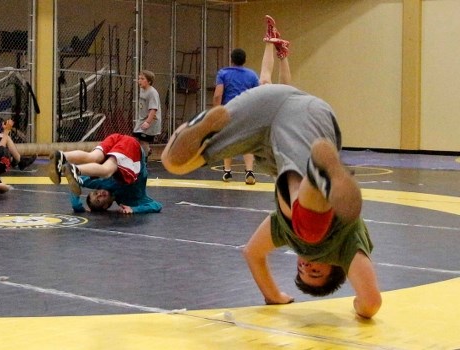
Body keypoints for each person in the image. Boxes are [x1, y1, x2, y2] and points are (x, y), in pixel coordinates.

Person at [159, 17, 381, 319]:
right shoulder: (346, 246)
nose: (306, 264)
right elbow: (371, 303)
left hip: (267, 109)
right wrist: (359, 308)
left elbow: (252, 253)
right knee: (307, 226)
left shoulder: (284, 234)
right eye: (315, 271)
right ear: (336, 268)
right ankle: (317, 178)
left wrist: (273, 296)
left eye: (301, 270)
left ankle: (201, 127)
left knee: (175, 162)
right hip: (305, 119)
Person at [49, 133, 161, 214]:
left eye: (95, 193)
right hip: (121, 141)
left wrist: (78, 207)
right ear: (106, 206)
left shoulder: (101, 184)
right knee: (93, 157)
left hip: (129, 146)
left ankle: (73, 167)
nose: (99, 194)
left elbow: (76, 183)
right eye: (98, 199)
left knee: (106, 170)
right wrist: (134, 209)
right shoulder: (130, 199)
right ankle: (63, 156)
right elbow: (156, 205)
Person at [213, 48, 259, 184]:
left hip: (229, 110)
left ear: (231, 59)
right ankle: (249, 171)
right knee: (247, 142)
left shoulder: (223, 73)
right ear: (244, 60)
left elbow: (217, 94)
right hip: (246, 111)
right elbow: (257, 94)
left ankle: (227, 172)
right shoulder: (252, 75)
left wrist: (217, 111)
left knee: (228, 141)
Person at [133, 70, 162, 156]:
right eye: (139, 79)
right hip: (142, 119)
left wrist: (148, 122)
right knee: (136, 138)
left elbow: (153, 109)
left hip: (151, 120)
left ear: (149, 81)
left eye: (142, 79)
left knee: (143, 140)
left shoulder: (152, 92)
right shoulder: (142, 90)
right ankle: (147, 151)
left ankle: (144, 160)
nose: (139, 81)